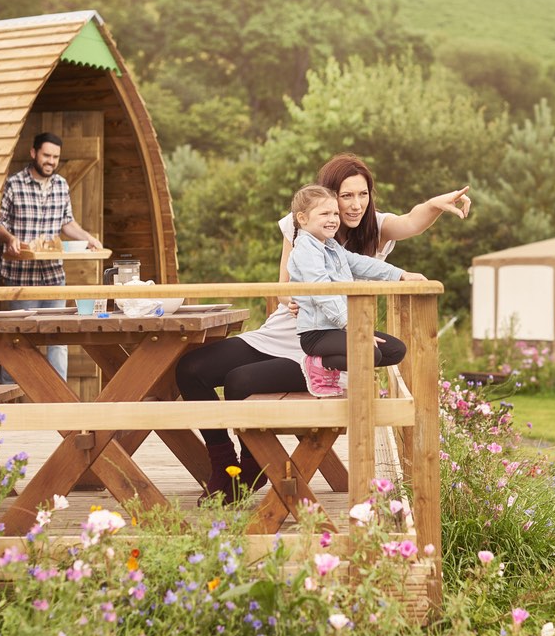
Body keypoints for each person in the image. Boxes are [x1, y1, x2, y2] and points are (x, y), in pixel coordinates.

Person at [175, 153, 470, 503]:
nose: (356, 204)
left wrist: (435, 204)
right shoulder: (301, 227)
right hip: (288, 329)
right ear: (326, 195)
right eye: (346, 196)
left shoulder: (373, 227)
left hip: (330, 344)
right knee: (191, 369)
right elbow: (284, 283)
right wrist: (289, 298)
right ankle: (223, 463)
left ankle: (252, 466)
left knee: (240, 381)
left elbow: (410, 222)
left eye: (363, 194)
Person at [288, 184, 425, 397]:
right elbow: (321, 290)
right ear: (303, 219)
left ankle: (324, 363)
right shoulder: (305, 248)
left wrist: (401, 274)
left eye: (335, 213)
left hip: (337, 329)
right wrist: (353, 326)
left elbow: (362, 264)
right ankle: (318, 362)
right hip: (317, 332)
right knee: (368, 353)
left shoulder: (331, 246)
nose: (333, 219)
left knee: (395, 350)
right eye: (325, 213)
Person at [0, 132, 102, 381]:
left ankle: (58, 402)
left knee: (58, 338)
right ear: (34, 153)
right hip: (21, 279)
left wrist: (89, 239)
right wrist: (10, 239)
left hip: (54, 277)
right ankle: (9, 401)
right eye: (46, 155)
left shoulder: (62, 185)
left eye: (55, 157)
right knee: (18, 341)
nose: (51, 161)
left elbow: (67, 223)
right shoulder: (14, 184)